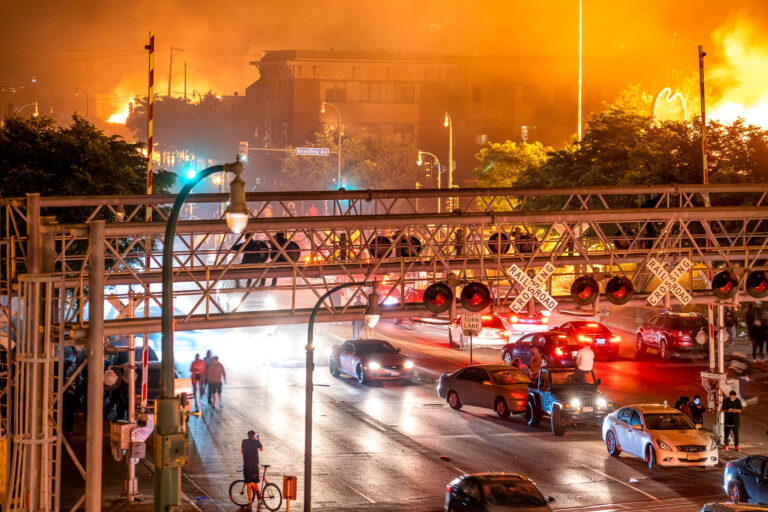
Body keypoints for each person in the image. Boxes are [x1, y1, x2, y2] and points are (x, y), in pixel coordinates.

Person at [242, 430, 264, 508]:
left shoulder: (244, 441)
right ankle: (258, 501)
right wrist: (258, 439)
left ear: (248, 435)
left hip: (247, 466)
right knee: (255, 484)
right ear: (254, 436)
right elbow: (261, 449)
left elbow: (242, 451)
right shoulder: (256, 442)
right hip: (255, 466)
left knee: (248, 484)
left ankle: (250, 503)